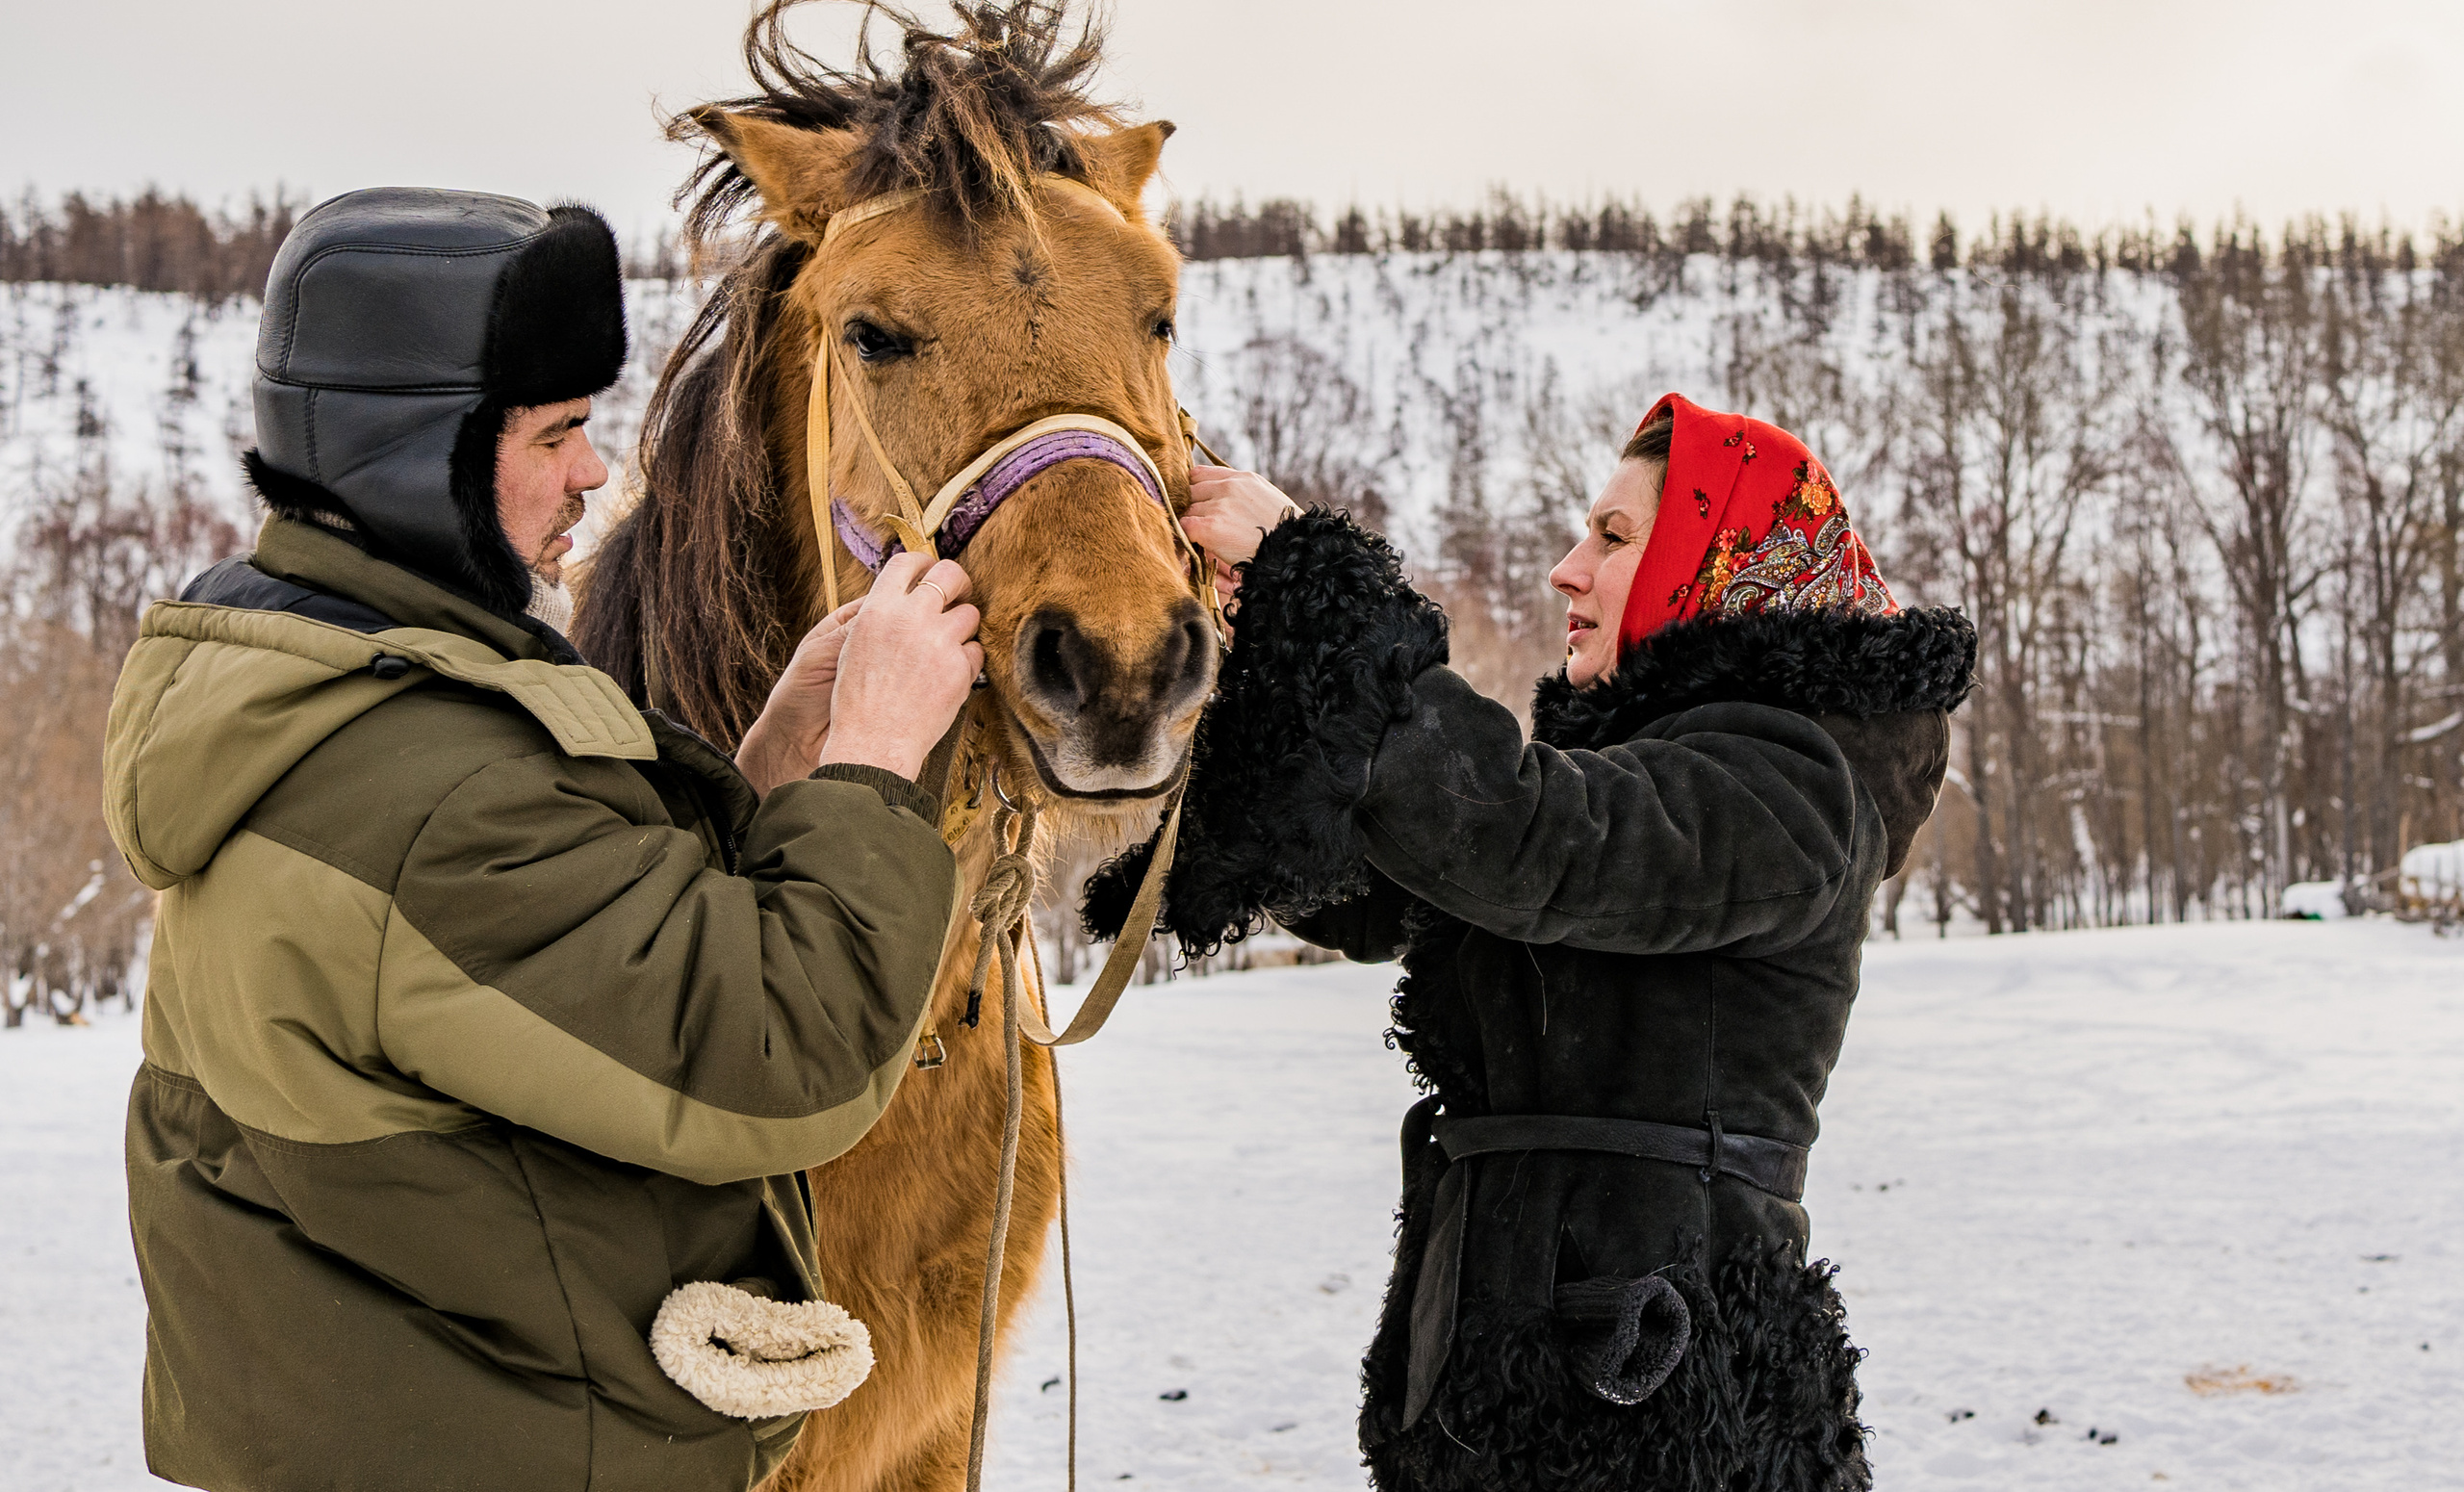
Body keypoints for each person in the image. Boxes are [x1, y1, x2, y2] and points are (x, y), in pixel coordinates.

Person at [104, 187, 984, 1492]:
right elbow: (780, 1064)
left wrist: (768, 772)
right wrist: (875, 760)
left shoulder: (313, 699)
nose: (594, 471)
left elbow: (554, 976)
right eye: (558, 431)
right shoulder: (431, 794)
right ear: (423, 450)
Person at [1093, 394, 1977, 1491]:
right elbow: (1365, 883)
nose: (1568, 568)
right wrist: (1247, 652)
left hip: (1664, 1402)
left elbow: (1528, 838)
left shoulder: (1798, 784)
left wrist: (1309, 578)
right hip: (1497, 1384)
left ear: (1716, 560)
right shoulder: (1651, 766)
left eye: (1612, 536)